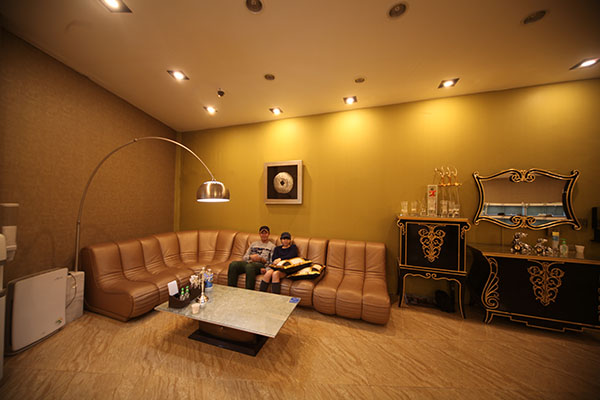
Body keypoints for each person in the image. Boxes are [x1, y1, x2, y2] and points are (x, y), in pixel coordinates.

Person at [227, 225, 275, 290]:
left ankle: (249, 291)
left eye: (265, 233)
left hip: (260, 265)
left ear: (268, 234)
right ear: (259, 234)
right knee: (233, 264)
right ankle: (231, 290)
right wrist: (250, 257)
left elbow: (272, 262)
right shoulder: (253, 244)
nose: (264, 235)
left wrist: (266, 268)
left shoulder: (272, 246)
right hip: (249, 262)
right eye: (262, 233)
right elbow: (244, 257)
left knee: (250, 267)